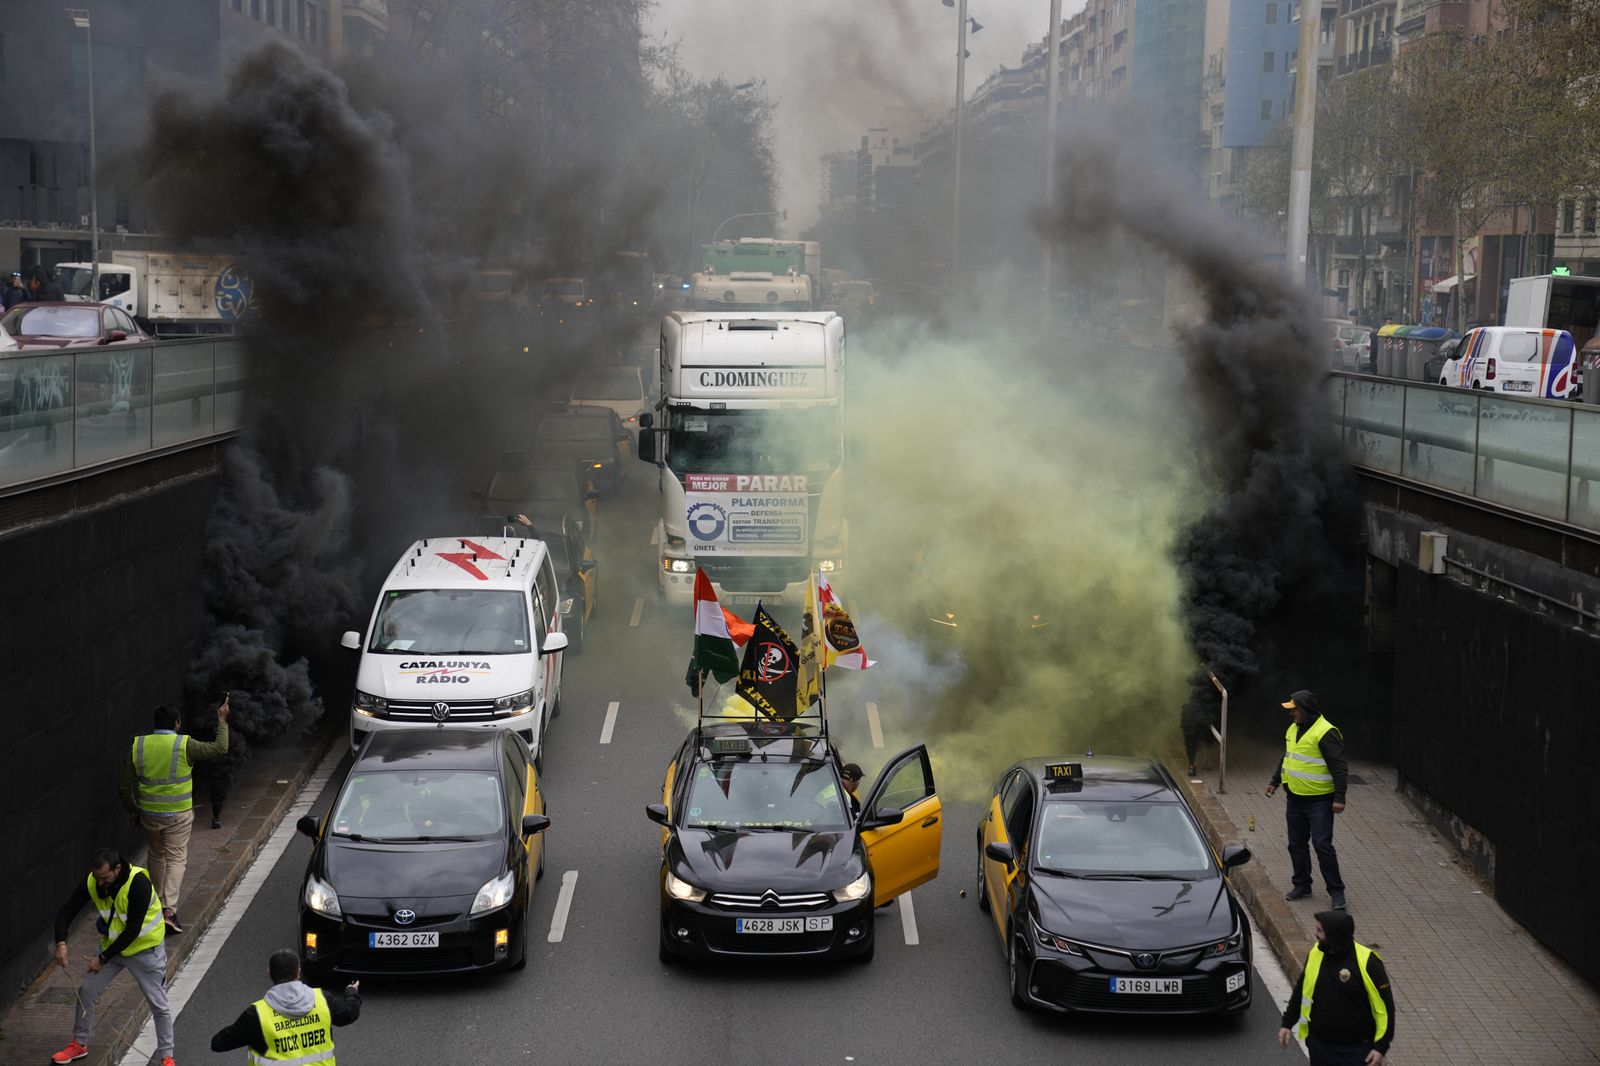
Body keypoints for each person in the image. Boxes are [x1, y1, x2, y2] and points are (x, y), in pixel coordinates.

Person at [49, 847, 174, 1066]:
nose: (100, 883)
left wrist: (102, 958)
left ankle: (167, 1057)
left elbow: (132, 930)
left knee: (158, 1004)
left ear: (117, 869)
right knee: (86, 990)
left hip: (146, 951)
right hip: (113, 948)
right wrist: (61, 942)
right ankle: (79, 1044)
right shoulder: (93, 881)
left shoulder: (138, 883)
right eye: (97, 878)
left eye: (104, 878)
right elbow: (67, 910)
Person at [120, 696, 231, 933]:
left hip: (149, 814)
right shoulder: (185, 744)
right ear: (177, 723)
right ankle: (169, 911)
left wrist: (134, 810)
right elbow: (220, 748)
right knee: (176, 858)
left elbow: (124, 786)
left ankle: (156, 904)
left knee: (156, 855)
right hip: (178, 814)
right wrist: (222, 720)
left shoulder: (138, 745)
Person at [1278, 910, 1396, 1065]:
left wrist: (1381, 1047)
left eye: (1319, 930)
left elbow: (1387, 1009)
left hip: (1357, 1052)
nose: (1315, 934)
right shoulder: (1316, 953)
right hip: (1320, 1046)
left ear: (1334, 934)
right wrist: (1287, 1023)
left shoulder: (1369, 963)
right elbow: (1301, 991)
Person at [1265, 690, 1348, 909]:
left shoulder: (1326, 732)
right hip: (1294, 799)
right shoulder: (1293, 728)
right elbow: (1287, 757)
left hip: (1320, 801)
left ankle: (1337, 891)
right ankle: (1302, 885)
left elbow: (1339, 768)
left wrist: (1339, 798)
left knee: (1322, 845)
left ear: (1305, 710)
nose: (1291, 713)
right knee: (1296, 844)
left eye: (1294, 710)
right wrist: (1274, 781)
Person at [211, 948, 362, 1063]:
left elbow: (218, 1044)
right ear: (298, 972)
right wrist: (351, 992)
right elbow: (349, 1012)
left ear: (269, 974)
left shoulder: (256, 1015)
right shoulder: (323, 999)